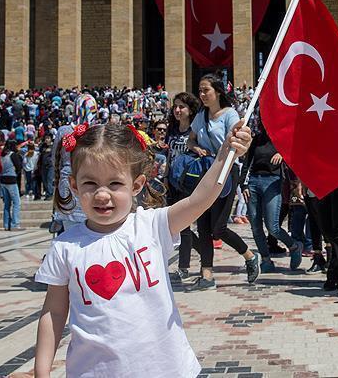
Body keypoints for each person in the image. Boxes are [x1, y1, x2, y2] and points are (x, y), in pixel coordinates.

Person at [32, 121, 252, 378]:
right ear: (74, 185)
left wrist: (226, 154)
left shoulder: (152, 226)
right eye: (90, 183)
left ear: (136, 186)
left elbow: (199, 200)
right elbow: (54, 312)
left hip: (165, 370)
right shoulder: (64, 247)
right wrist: (41, 371)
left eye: (115, 183)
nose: (102, 195)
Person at [186, 74, 260, 291]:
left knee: (218, 228)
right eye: (200, 90)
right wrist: (196, 148)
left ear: (217, 91)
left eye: (206, 90)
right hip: (205, 171)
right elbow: (191, 139)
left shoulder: (230, 114)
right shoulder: (201, 116)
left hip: (227, 171)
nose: (202, 94)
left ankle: (249, 256)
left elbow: (239, 141)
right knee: (203, 225)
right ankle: (206, 275)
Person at [242, 116, 303, 273]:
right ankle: (266, 260)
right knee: (256, 226)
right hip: (254, 182)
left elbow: (295, 154)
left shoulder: (282, 139)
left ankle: (294, 246)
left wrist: (283, 154)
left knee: (272, 226)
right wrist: (244, 184)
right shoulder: (257, 140)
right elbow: (247, 162)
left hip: (273, 182)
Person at [164, 92, 201, 281]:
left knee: (184, 226)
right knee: (175, 225)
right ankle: (204, 250)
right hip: (171, 182)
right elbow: (169, 154)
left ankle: (183, 267)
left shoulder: (195, 132)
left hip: (187, 184)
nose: (177, 110)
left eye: (182, 107)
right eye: (175, 106)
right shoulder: (172, 130)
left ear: (190, 110)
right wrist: (165, 176)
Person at [52, 94, 99, 233]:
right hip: (92, 182)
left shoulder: (64, 131)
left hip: (67, 181)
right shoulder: (98, 132)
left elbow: (55, 158)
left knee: (70, 231)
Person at [0, 140, 23, 230]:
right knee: (17, 202)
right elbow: (19, 167)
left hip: (3, 180)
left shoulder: (2, 155)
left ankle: (6, 224)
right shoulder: (13, 155)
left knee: (7, 204)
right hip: (11, 180)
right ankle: (15, 224)